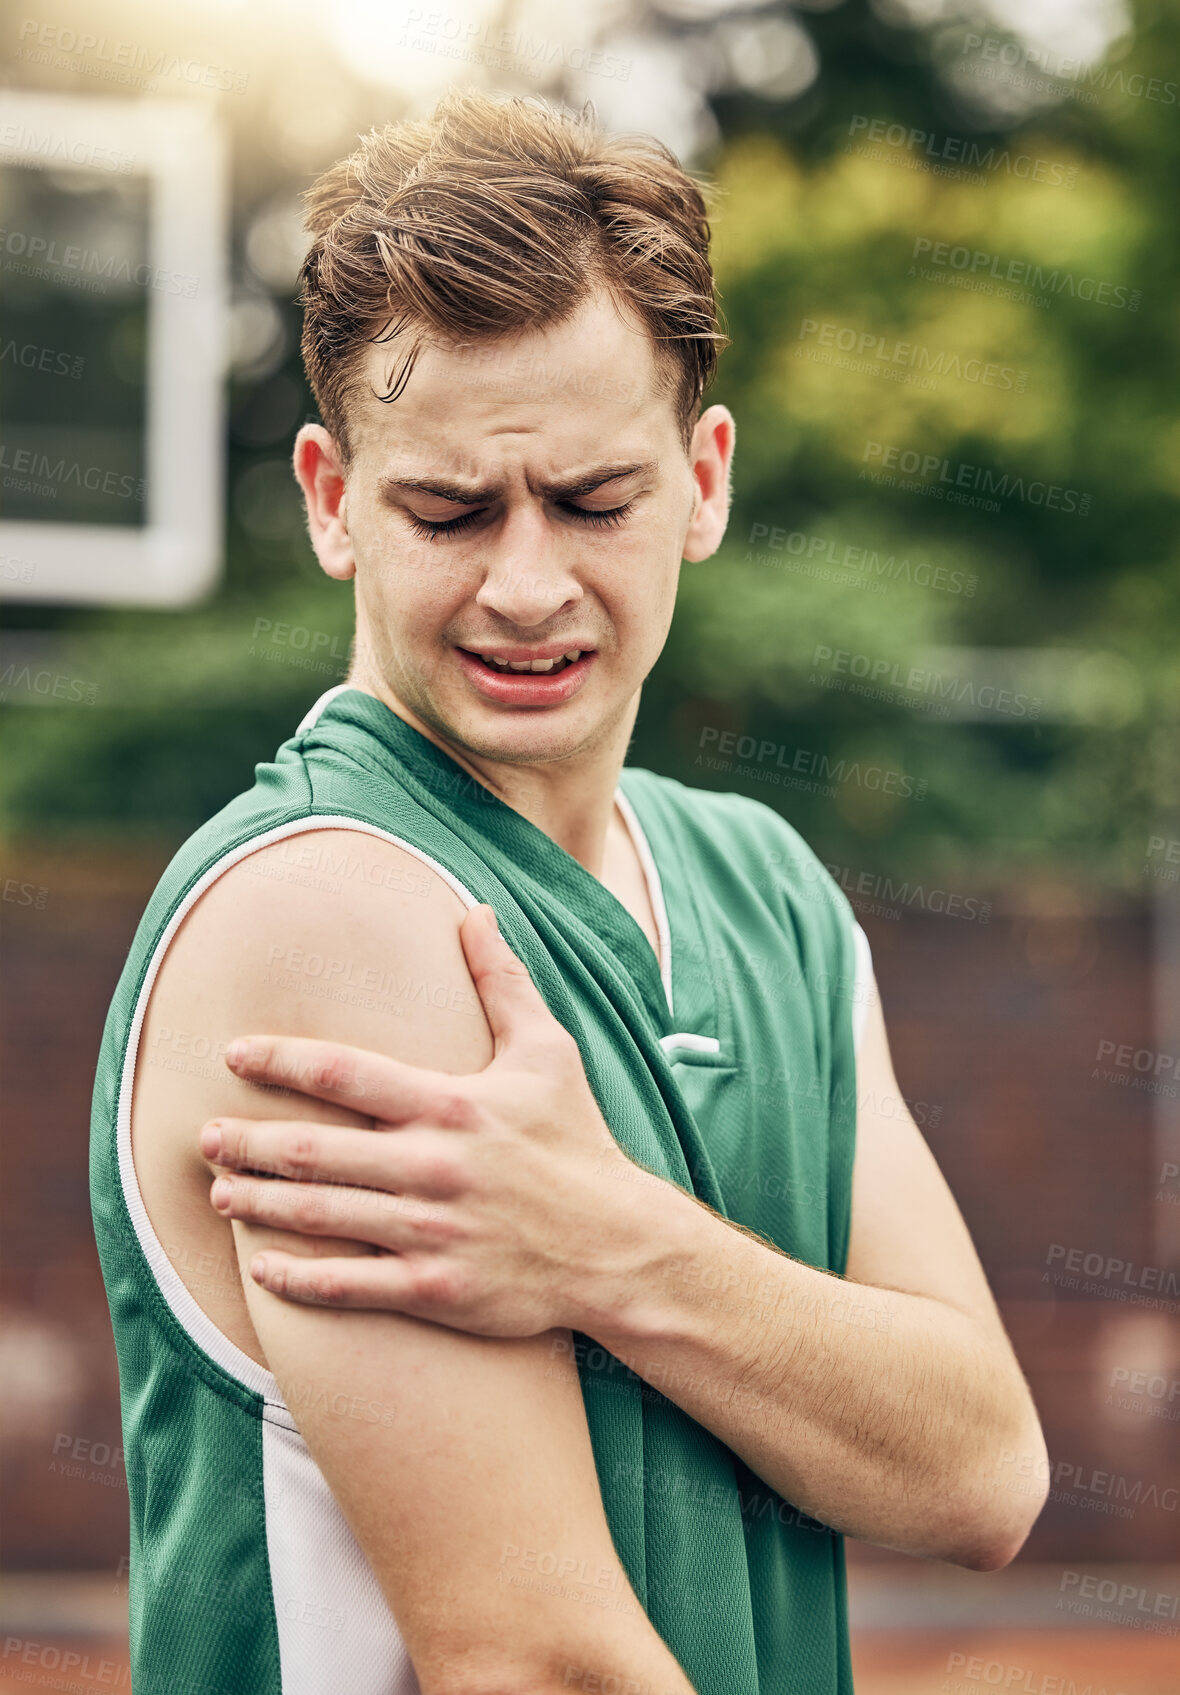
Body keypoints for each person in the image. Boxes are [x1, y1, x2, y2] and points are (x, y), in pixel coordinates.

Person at [90, 88, 1049, 1695]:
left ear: (705, 482)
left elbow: (981, 1472)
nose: (527, 586)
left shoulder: (773, 892)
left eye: (596, 503)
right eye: (450, 509)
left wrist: (610, 1246)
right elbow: (534, 1660)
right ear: (332, 501)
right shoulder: (325, 908)